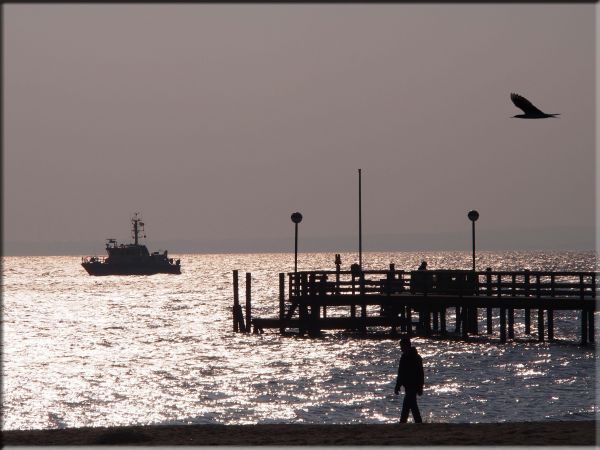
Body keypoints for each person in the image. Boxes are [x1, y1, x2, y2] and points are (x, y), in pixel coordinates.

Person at [394, 336, 424, 423]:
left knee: (409, 405)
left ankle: (404, 422)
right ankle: (416, 422)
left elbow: (420, 374)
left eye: (402, 347)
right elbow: (401, 373)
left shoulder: (416, 358)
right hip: (407, 385)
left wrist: (420, 387)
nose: (401, 349)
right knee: (411, 405)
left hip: (413, 385)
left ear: (407, 346)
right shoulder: (404, 357)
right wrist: (398, 385)